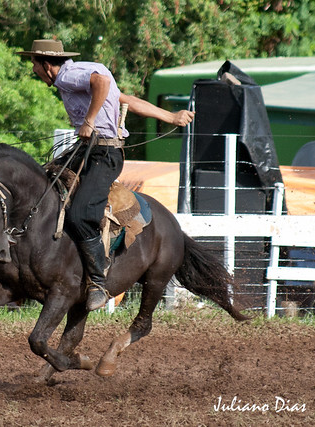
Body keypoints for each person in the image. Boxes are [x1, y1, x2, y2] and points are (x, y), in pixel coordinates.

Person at [17, 39, 194, 311]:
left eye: (34, 65)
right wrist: (171, 117)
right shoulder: (73, 76)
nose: (33, 70)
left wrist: (89, 120)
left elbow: (101, 82)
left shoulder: (68, 75)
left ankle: (98, 281)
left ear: (46, 65)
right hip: (87, 150)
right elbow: (127, 101)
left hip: (104, 155)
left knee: (79, 214)